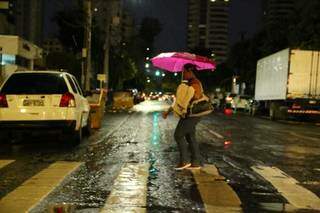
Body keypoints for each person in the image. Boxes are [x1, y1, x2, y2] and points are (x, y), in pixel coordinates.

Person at [162, 63, 203, 170]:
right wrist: (169, 111)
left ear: (190, 71)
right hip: (191, 114)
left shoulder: (194, 83)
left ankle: (184, 161)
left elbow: (196, 96)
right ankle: (196, 162)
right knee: (190, 137)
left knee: (178, 135)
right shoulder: (189, 83)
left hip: (192, 114)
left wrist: (189, 91)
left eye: (184, 71)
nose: (183, 74)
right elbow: (180, 102)